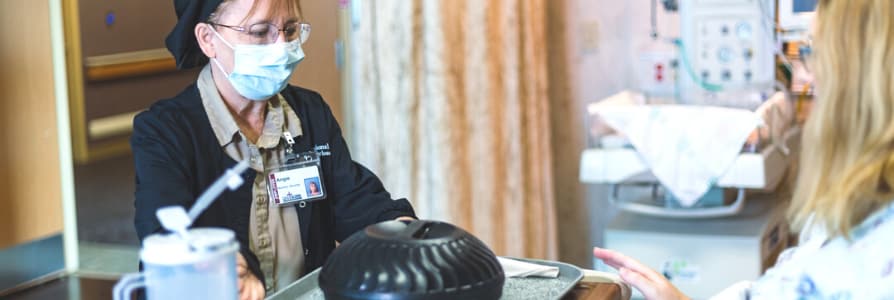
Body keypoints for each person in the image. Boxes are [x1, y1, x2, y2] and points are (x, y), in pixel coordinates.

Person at [594, 0, 894, 299]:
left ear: (863, 80)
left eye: (812, 55)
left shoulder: (873, 260)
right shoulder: (854, 211)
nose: (803, 78)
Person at [131, 0, 416, 299]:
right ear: (208, 39)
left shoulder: (310, 112)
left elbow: (354, 199)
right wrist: (221, 265)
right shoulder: (164, 130)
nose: (281, 46)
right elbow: (164, 229)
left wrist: (400, 230)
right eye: (259, 32)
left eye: (290, 29)